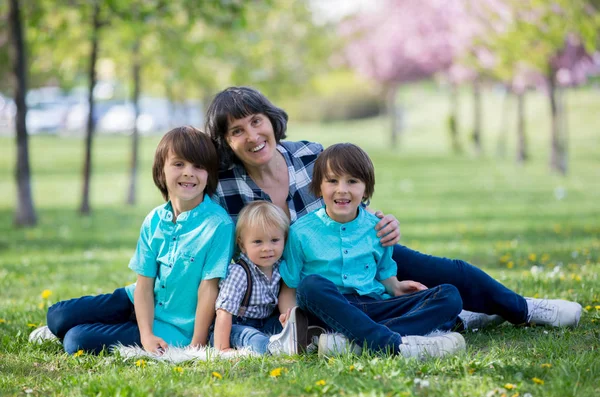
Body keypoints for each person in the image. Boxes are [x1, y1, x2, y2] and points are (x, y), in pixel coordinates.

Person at [205, 86, 582, 333]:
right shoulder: (224, 187)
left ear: (271, 120)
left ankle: (524, 308)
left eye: (256, 121)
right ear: (225, 141)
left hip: (356, 256)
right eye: (236, 131)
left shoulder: (309, 154)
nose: (252, 136)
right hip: (297, 282)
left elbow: (349, 199)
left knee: (446, 271)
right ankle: (455, 322)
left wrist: (383, 223)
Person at [29, 126, 235, 354]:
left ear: (209, 175)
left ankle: (80, 331)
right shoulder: (154, 219)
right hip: (135, 300)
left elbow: (209, 289)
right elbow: (145, 285)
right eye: (179, 164)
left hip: (172, 328)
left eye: (199, 166)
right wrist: (145, 334)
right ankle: (69, 327)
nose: (189, 172)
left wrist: (195, 343)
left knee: (76, 340)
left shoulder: (219, 225)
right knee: (57, 315)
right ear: (161, 172)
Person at [281, 143, 466, 357]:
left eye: (352, 181)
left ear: (366, 189)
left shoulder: (377, 228)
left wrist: (397, 288)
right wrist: (290, 317)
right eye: (332, 181)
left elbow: (386, 277)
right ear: (318, 187)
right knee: (310, 285)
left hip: (375, 306)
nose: (342, 189)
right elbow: (291, 286)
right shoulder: (300, 232)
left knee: (450, 296)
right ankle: (394, 344)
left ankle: (354, 342)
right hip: (331, 309)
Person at [213, 200, 308, 355]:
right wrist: (222, 348)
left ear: (284, 240)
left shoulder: (280, 268)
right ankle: (271, 348)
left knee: (286, 325)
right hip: (234, 326)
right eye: (258, 242)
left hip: (265, 323)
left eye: (275, 240)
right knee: (250, 337)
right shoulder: (239, 273)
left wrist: (286, 321)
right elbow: (224, 313)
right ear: (242, 245)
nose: (267, 248)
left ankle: (300, 340)